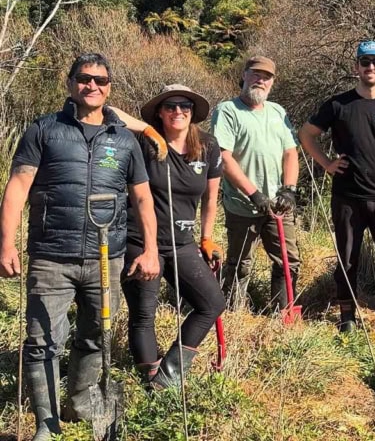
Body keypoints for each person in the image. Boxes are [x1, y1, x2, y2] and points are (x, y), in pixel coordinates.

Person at [0, 53, 159, 440]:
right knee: (42, 341)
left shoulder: (123, 140)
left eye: (101, 81)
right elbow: (18, 187)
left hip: (107, 256)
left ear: (109, 88)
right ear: (70, 83)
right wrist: (6, 244)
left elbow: (141, 199)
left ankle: (81, 404)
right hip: (52, 256)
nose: (93, 86)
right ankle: (46, 423)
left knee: (96, 335)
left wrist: (150, 248)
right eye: (85, 79)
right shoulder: (44, 130)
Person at [298, 40, 375, 334]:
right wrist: (326, 163)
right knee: (347, 259)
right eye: (365, 62)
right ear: (356, 67)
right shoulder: (338, 105)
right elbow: (306, 135)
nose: (370, 67)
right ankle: (347, 318)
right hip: (347, 197)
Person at [114, 85, 226, 387]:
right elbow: (107, 111)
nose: (178, 111)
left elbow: (211, 199)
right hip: (140, 240)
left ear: (192, 111)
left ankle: (169, 374)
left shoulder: (208, 145)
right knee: (144, 313)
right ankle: (151, 377)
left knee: (212, 303)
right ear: (160, 112)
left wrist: (207, 237)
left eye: (184, 106)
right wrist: (148, 130)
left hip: (183, 243)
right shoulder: (144, 143)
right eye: (170, 106)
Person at [211, 55, 301, 311]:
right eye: (255, 74)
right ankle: (234, 313)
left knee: (288, 260)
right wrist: (253, 194)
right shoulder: (227, 110)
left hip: (278, 205)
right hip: (243, 205)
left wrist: (290, 189)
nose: (260, 80)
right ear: (244, 75)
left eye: (266, 77)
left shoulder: (277, 112)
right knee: (240, 262)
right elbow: (224, 157)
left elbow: (290, 153)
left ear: (272, 82)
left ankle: (281, 314)